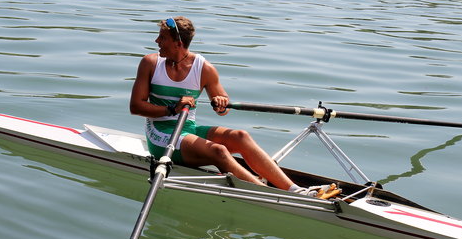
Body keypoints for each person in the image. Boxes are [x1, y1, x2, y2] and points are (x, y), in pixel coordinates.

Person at [129, 16, 337, 197]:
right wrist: (172, 109)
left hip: (187, 128)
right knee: (219, 151)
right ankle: (268, 194)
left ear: (178, 43)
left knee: (240, 136)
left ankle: (294, 190)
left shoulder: (204, 69)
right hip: (161, 133)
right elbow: (136, 107)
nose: (157, 41)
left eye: (162, 38)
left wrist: (221, 105)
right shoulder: (150, 63)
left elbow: (223, 107)